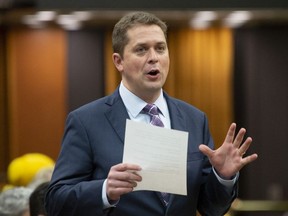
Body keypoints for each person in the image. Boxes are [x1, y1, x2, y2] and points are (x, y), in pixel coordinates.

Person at [45, 11, 258, 216]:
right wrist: (104, 191)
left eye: (160, 48)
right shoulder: (85, 121)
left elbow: (211, 208)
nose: (153, 57)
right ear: (119, 61)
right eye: (141, 49)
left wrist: (222, 177)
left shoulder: (194, 119)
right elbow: (55, 201)